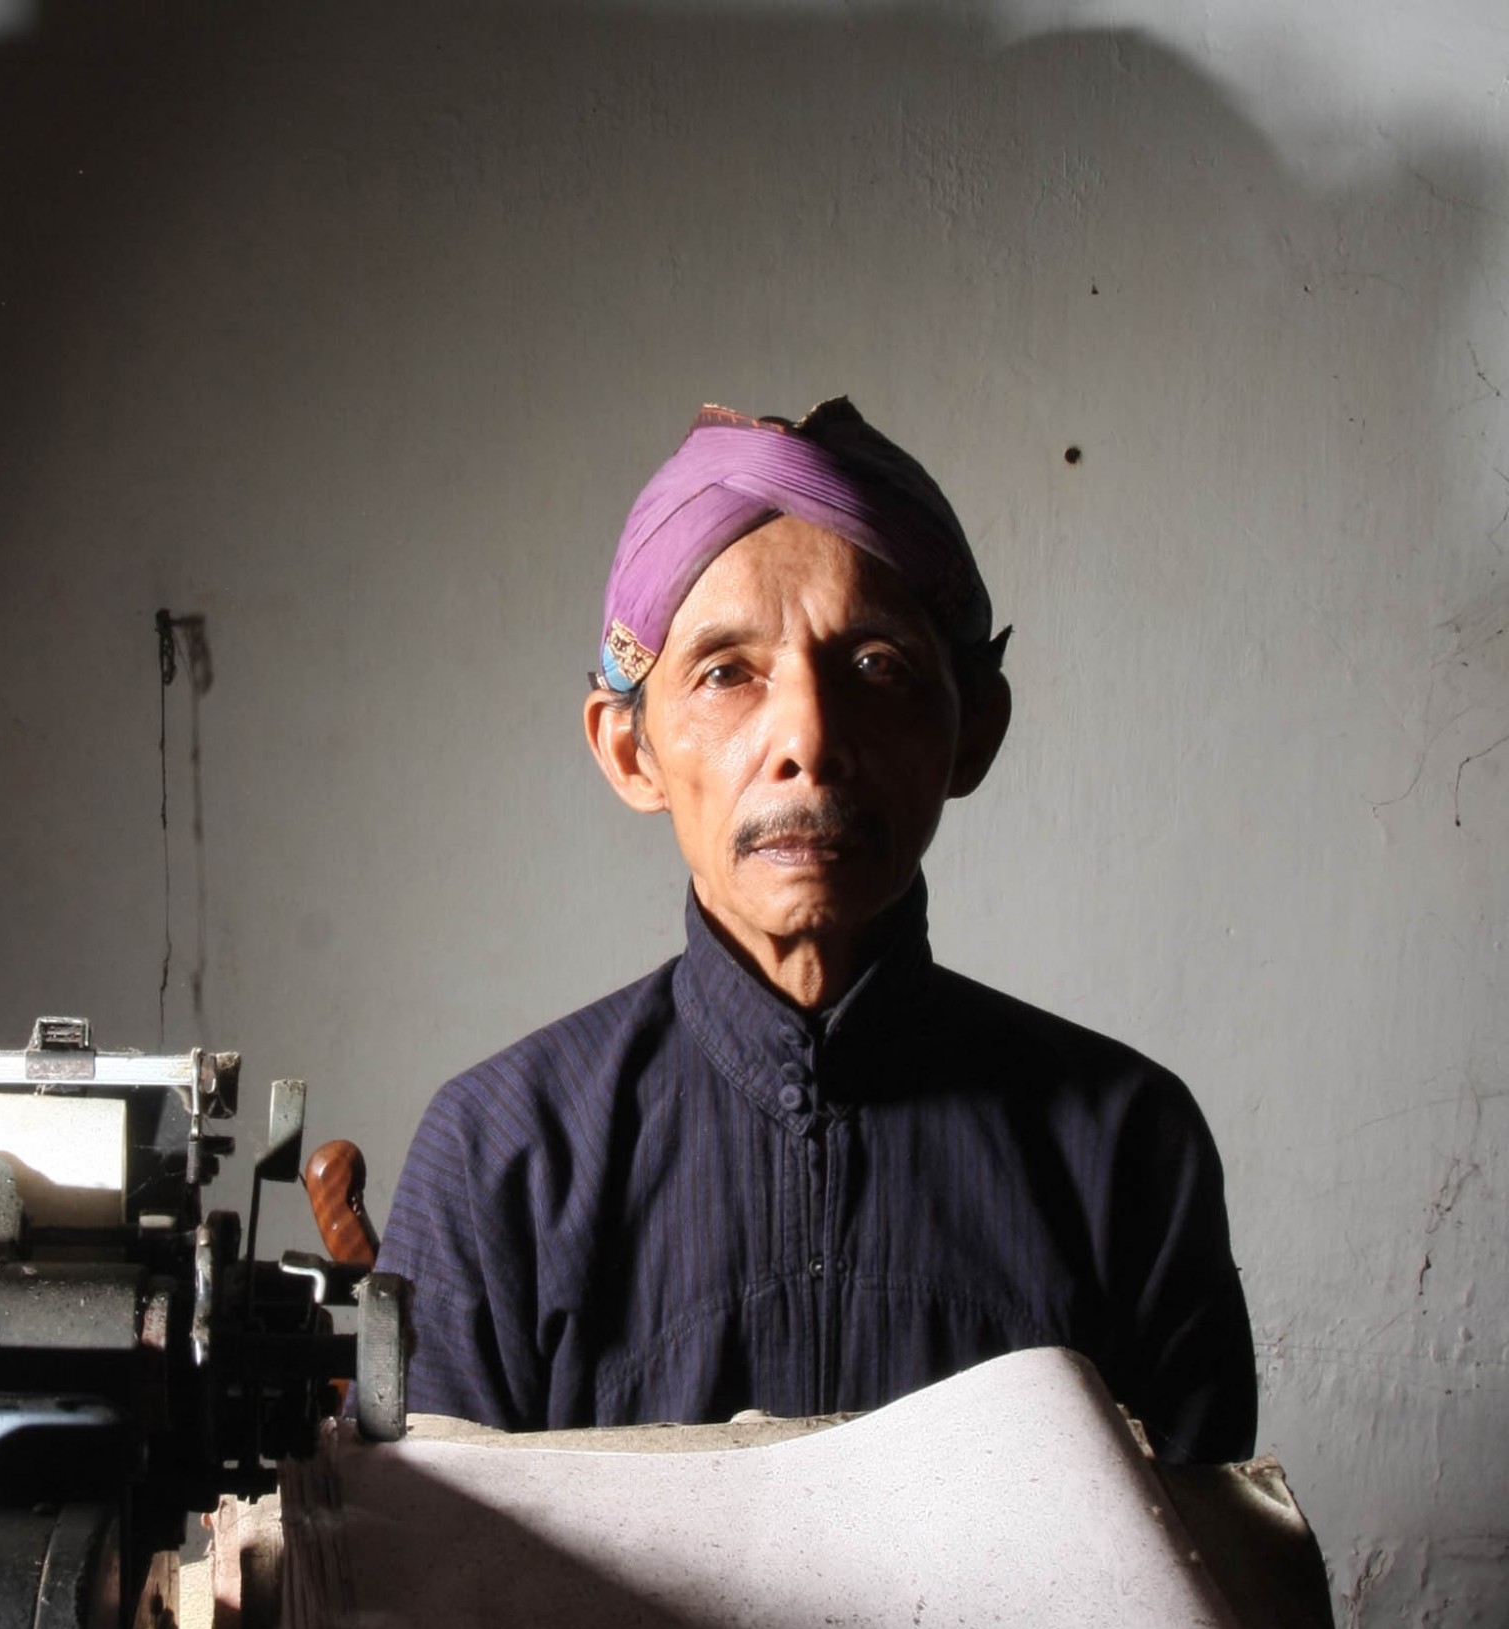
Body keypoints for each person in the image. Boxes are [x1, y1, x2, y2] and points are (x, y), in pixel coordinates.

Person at [381, 398, 1255, 1462]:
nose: (809, 737)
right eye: (725, 673)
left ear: (972, 731)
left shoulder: (1126, 1149)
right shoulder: (498, 1157)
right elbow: (430, 1560)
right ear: (630, 751)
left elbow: (1193, 1559)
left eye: (877, 666)